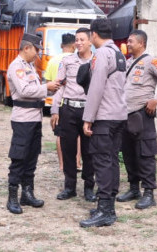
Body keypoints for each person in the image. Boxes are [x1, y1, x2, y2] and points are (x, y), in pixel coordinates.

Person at [116, 30, 157, 209]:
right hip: (125, 115)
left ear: (141, 43)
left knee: (145, 153)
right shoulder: (127, 63)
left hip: (142, 114)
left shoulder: (151, 61)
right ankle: (134, 189)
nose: (128, 43)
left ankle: (149, 192)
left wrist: (156, 99)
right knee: (128, 153)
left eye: (131, 41)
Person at [79, 19, 127, 228]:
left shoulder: (101, 54)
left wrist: (88, 117)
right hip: (118, 115)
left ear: (93, 34)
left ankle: (106, 210)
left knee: (102, 162)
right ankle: (107, 206)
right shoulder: (118, 52)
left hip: (105, 116)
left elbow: (96, 87)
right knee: (112, 160)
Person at [5, 33, 60, 214]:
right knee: (19, 157)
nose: (38, 54)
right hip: (23, 120)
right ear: (27, 48)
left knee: (32, 157)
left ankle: (27, 193)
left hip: (34, 118)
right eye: (36, 50)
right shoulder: (16, 66)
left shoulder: (29, 66)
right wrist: (47, 87)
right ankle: (12, 196)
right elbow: (25, 90)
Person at [50, 28, 96, 202]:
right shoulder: (67, 61)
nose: (78, 43)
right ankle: (69, 186)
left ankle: (89, 187)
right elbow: (59, 85)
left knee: (89, 150)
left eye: (82, 39)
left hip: (88, 110)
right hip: (68, 109)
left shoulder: (97, 61)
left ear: (90, 41)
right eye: (76, 40)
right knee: (68, 149)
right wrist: (55, 110)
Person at [44, 33, 76, 172]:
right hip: (74, 102)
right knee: (78, 135)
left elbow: (49, 85)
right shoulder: (77, 59)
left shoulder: (52, 61)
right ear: (74, 45)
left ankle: (62, 164)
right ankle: (77, 163)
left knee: (60, 135)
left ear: (61, 45)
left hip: (58, 102)